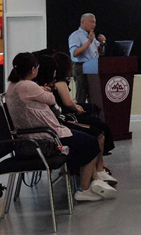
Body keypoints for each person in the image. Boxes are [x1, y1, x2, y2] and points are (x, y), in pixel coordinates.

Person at [6, 53, 116, 202]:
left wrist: (40, 89)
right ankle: (84, 189)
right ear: (33, 69)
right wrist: (43, 90)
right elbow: (51, 99)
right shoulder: (27, 85)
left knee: (87, 138)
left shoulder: (13, 85)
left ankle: (94, 178)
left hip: (34, 136)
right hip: (44, 137)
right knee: (91, 142)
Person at [51, 52, 115, 156]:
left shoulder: (54, 82)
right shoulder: (60, 82)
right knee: (99, 124)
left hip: (64, 112)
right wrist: (77, 109)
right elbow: (68, 103)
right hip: (67, 116)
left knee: (92, 109)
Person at [68, 13, 106, 104]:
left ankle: (92, 112)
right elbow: (74, 53)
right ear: (83, 22)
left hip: (93, 68)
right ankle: (79, 112)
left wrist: (102, 43)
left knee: (93, 95)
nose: (94, 25)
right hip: (81, 67)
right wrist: (89, 42)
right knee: (81, 95)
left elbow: (100, 52)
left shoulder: (91, 35)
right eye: (91, 22)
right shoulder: (75, 35)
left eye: (95, 22)